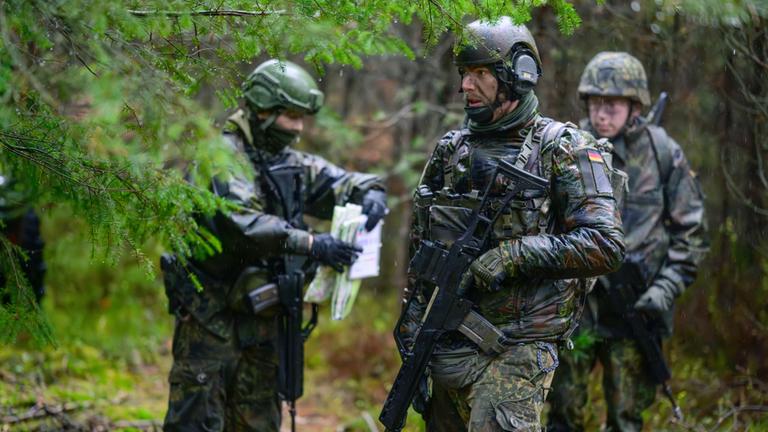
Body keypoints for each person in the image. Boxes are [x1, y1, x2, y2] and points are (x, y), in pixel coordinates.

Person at [399, 18, 625, 432]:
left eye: (480, 73)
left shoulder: (565, 148)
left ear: (517, 76)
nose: (466, 86)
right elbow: (422, 253)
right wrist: (411, 332)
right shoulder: (452, 151)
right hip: (447, 339)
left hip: (519, 347)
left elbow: (605, 244)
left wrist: (514, 255)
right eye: (463, 73)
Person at [161, 59, 388, 432]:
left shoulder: (286, 163)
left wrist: (371, 193)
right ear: (263, 109)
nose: (298, 129)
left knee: (258, 420)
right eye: (291, 117)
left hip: (265, 321)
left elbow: (344, 182)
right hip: (211, 318)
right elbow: (244, 225)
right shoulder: (220, 158)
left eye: (302, 119)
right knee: (198, 419)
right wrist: (313, 243)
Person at [546, 51, 708, 432]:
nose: (602, 113)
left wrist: (664, 290)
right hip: (576, 310)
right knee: (562, 413)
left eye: (613, 104)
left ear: (635, 105)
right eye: (595, 103)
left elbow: (693, 235)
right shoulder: (567, 146)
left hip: (637, 307)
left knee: (626, 419)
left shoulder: (662, 152)